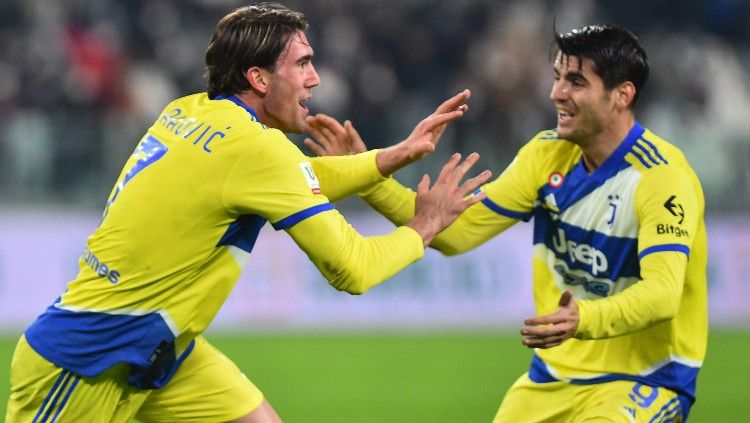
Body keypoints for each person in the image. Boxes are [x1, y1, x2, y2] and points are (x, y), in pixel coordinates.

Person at [5, 3, 493, 422]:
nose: (315, 78)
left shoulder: (190, 110)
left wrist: (392, 156)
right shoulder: (260, 153)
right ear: (258, 78)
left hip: (159, 349)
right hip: (86, 356)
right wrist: (425, 225)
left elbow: (295, 181)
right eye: (302, 64)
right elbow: (354, 268)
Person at [307, 24, 707, 422]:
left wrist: (585, 318)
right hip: (553, 377)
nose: (556, 94)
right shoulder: (545, 154)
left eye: (576, 82)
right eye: (556, 78)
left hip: (644, 380)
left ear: (622, 95)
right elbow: (458, 232)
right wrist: (369, 178)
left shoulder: (661, 177)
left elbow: (663, 293)